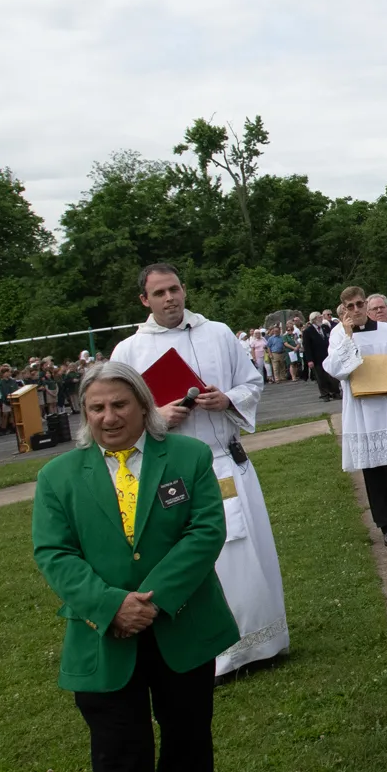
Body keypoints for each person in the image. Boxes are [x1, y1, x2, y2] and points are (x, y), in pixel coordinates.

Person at [31, 360, 236, 772]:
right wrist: (109, 607)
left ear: (144, 406)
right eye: (96, 407)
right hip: (103, 638)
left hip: (181, 626)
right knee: (118, 757)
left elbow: (205, 531)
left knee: (188, 735)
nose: (108, 416)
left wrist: (151, 599)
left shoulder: (190, 459)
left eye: (119, 404)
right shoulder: (59, 477)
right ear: (84, 414)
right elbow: (54, 553)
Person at [109, 263, 290, 676]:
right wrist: (155, 416)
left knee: (243, 550)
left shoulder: (218, 333)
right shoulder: (129, 352)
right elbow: (120, 416)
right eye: (159, 294)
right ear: (144, 300)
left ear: (184, 290)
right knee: (195, 557)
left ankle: (261, 640)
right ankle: (217, 654)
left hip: (224, 458)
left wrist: (226, 399)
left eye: (174, 290)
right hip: (170, 471)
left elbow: (252, 384)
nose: (170, 299)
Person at [324, 288, 387, 545]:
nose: (356, 310)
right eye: (350, 306)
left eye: (360, 304)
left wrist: (385, 376)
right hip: (362, 410)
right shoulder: (338, 335)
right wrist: (348, 338)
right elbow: (336, 369)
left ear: (366, 304)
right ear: (343, 308)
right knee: (375, 469)